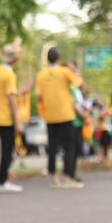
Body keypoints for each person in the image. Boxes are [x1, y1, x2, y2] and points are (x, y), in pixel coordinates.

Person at [35, 47, 84, 189]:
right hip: (65, 115)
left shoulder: (41, 74)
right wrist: (76, 73)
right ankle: (67, 177)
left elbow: (38, 96)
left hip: (50, 115)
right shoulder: (65, 71)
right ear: (59, 58)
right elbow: (78, 83)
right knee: (69, 147)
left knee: (52, 147)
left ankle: (53, 177)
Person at [0, 42, 24, 193]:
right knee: (7, 151)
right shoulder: (10, 74)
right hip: (7, 117)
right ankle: (2, 181)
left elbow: (3, 93)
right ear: (15, 59)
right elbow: (11, 100)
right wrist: (18, 122)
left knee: (2, 150)